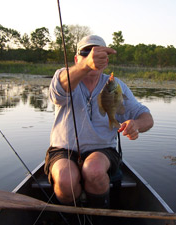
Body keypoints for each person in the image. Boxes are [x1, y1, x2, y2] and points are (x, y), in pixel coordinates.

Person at [44, 35, 154, 209]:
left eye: (98, 53)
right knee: (65, 179)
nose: (91, 56)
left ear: (106, 60)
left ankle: (98, 217)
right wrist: (86, 65)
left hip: (103, 151)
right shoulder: (64, 77)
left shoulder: (116, 85)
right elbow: (59, 89)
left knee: (94, 170)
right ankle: (69, 217)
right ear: (76, 59)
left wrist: (136, 125)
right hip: (63, 150)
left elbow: (146, 117)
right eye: (85, 53)